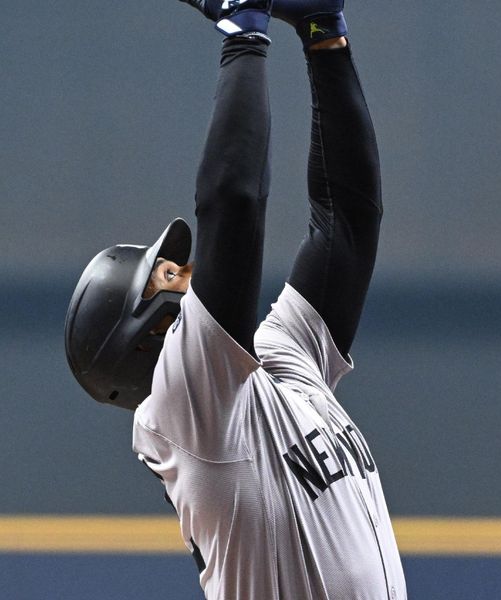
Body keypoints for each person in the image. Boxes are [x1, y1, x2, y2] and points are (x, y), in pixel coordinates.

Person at [64, 0, 407, 598]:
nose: (190, 271)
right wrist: (242, 35)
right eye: (167, 273)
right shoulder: (184, 407)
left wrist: (324, 38)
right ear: (143, 335)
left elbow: (348, 225)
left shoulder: (275, 365)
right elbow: (233, 202)